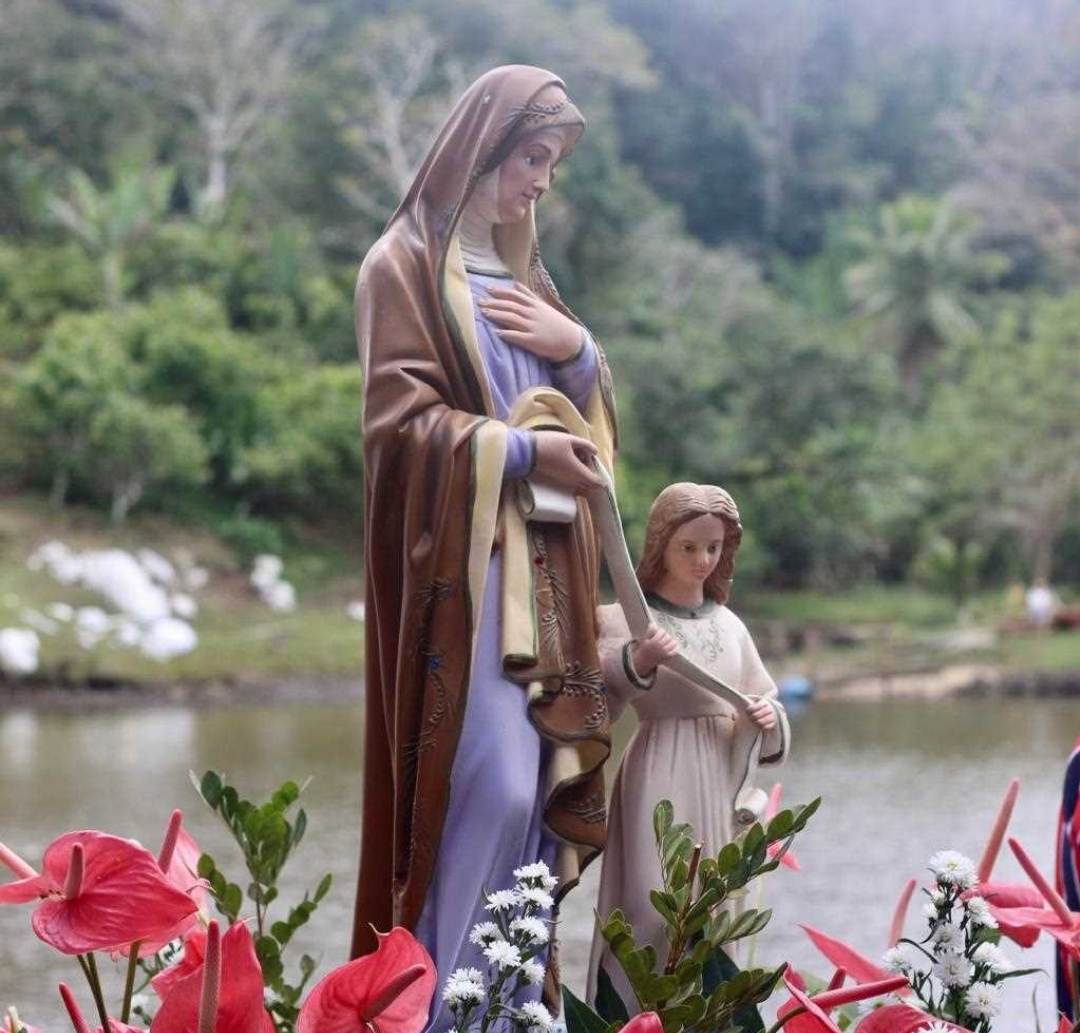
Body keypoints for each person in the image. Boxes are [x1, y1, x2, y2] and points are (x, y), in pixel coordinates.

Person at [351, 65, 618, 1025]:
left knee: (538, 787)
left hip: (544, 576)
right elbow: (397, 425)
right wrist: (516, 447)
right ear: (482, 150)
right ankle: (435, 1011)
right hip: (462, 579)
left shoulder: (528, 283)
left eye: (552, 164)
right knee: (489, 785)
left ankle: (507, 1010)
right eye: (531, 157)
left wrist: (579, 352)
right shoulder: (404, 268)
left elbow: (593, 431)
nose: (542, 180)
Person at [587, 483, 789, 1008]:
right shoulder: (624, 618)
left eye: (714, 548)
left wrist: (767, 716)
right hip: (659, 765)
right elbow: (597, 696)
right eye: (689, 547)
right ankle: (630, 1014)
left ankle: (702, 1016)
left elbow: (761, 697)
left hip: (719, 774)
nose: (703, 560)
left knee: (712, 904)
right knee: (650, 905)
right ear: (661, 544)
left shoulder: (730, 625)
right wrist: (641, 660)